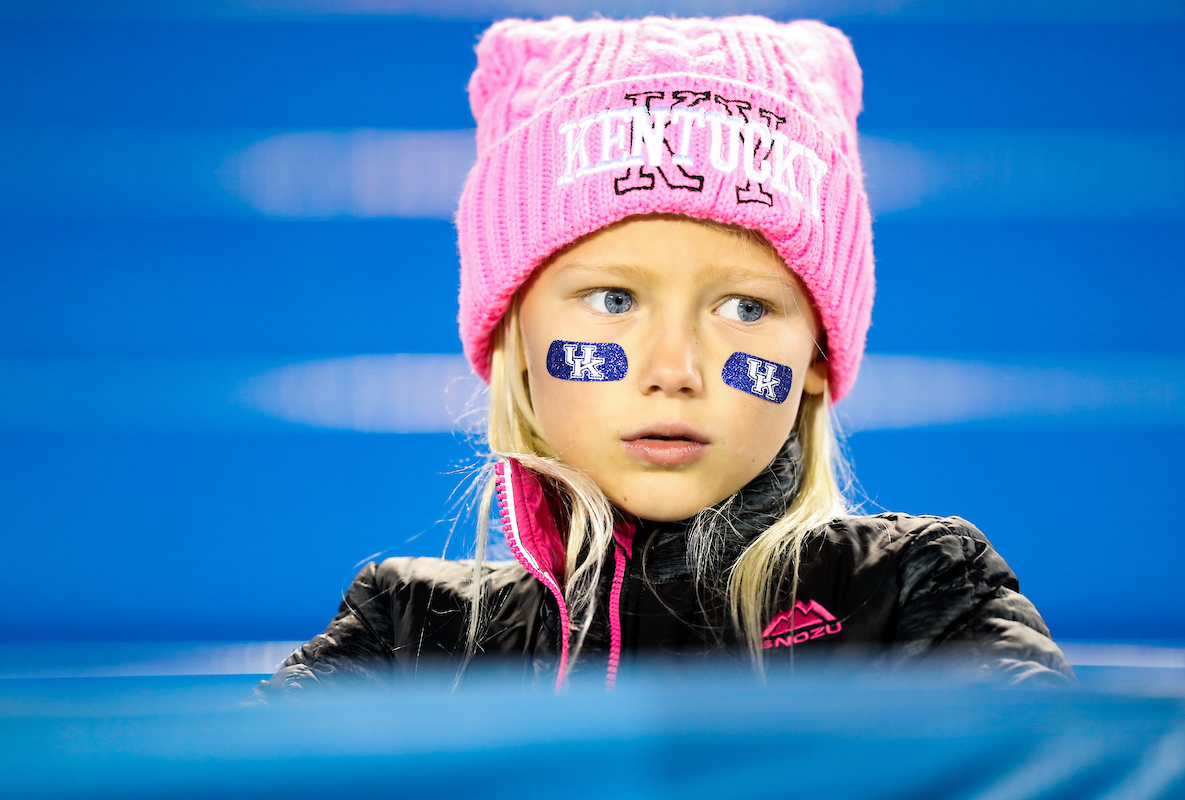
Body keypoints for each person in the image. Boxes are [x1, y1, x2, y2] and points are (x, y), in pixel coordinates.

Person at [256, 15, 1073, 696]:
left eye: (745, 307)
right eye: (615, 301)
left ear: (819, 353)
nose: (673, 367)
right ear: (516, 334)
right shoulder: (408, 634)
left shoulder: (917, 592)